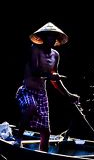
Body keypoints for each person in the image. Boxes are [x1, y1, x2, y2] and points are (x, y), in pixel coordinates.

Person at [13, 22, 79, 152]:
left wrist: (68, 95)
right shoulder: (35, 49)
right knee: (31, 106)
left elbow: (55, 80)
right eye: (49, 37)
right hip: (28, 90)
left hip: (41, 93)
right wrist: (51, 76)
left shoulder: (55, 55)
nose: (52, 40)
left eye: (54, 37)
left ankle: (43, 154)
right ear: (43, 38)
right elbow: (34, 71)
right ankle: (18, 139)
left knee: (46, 130)